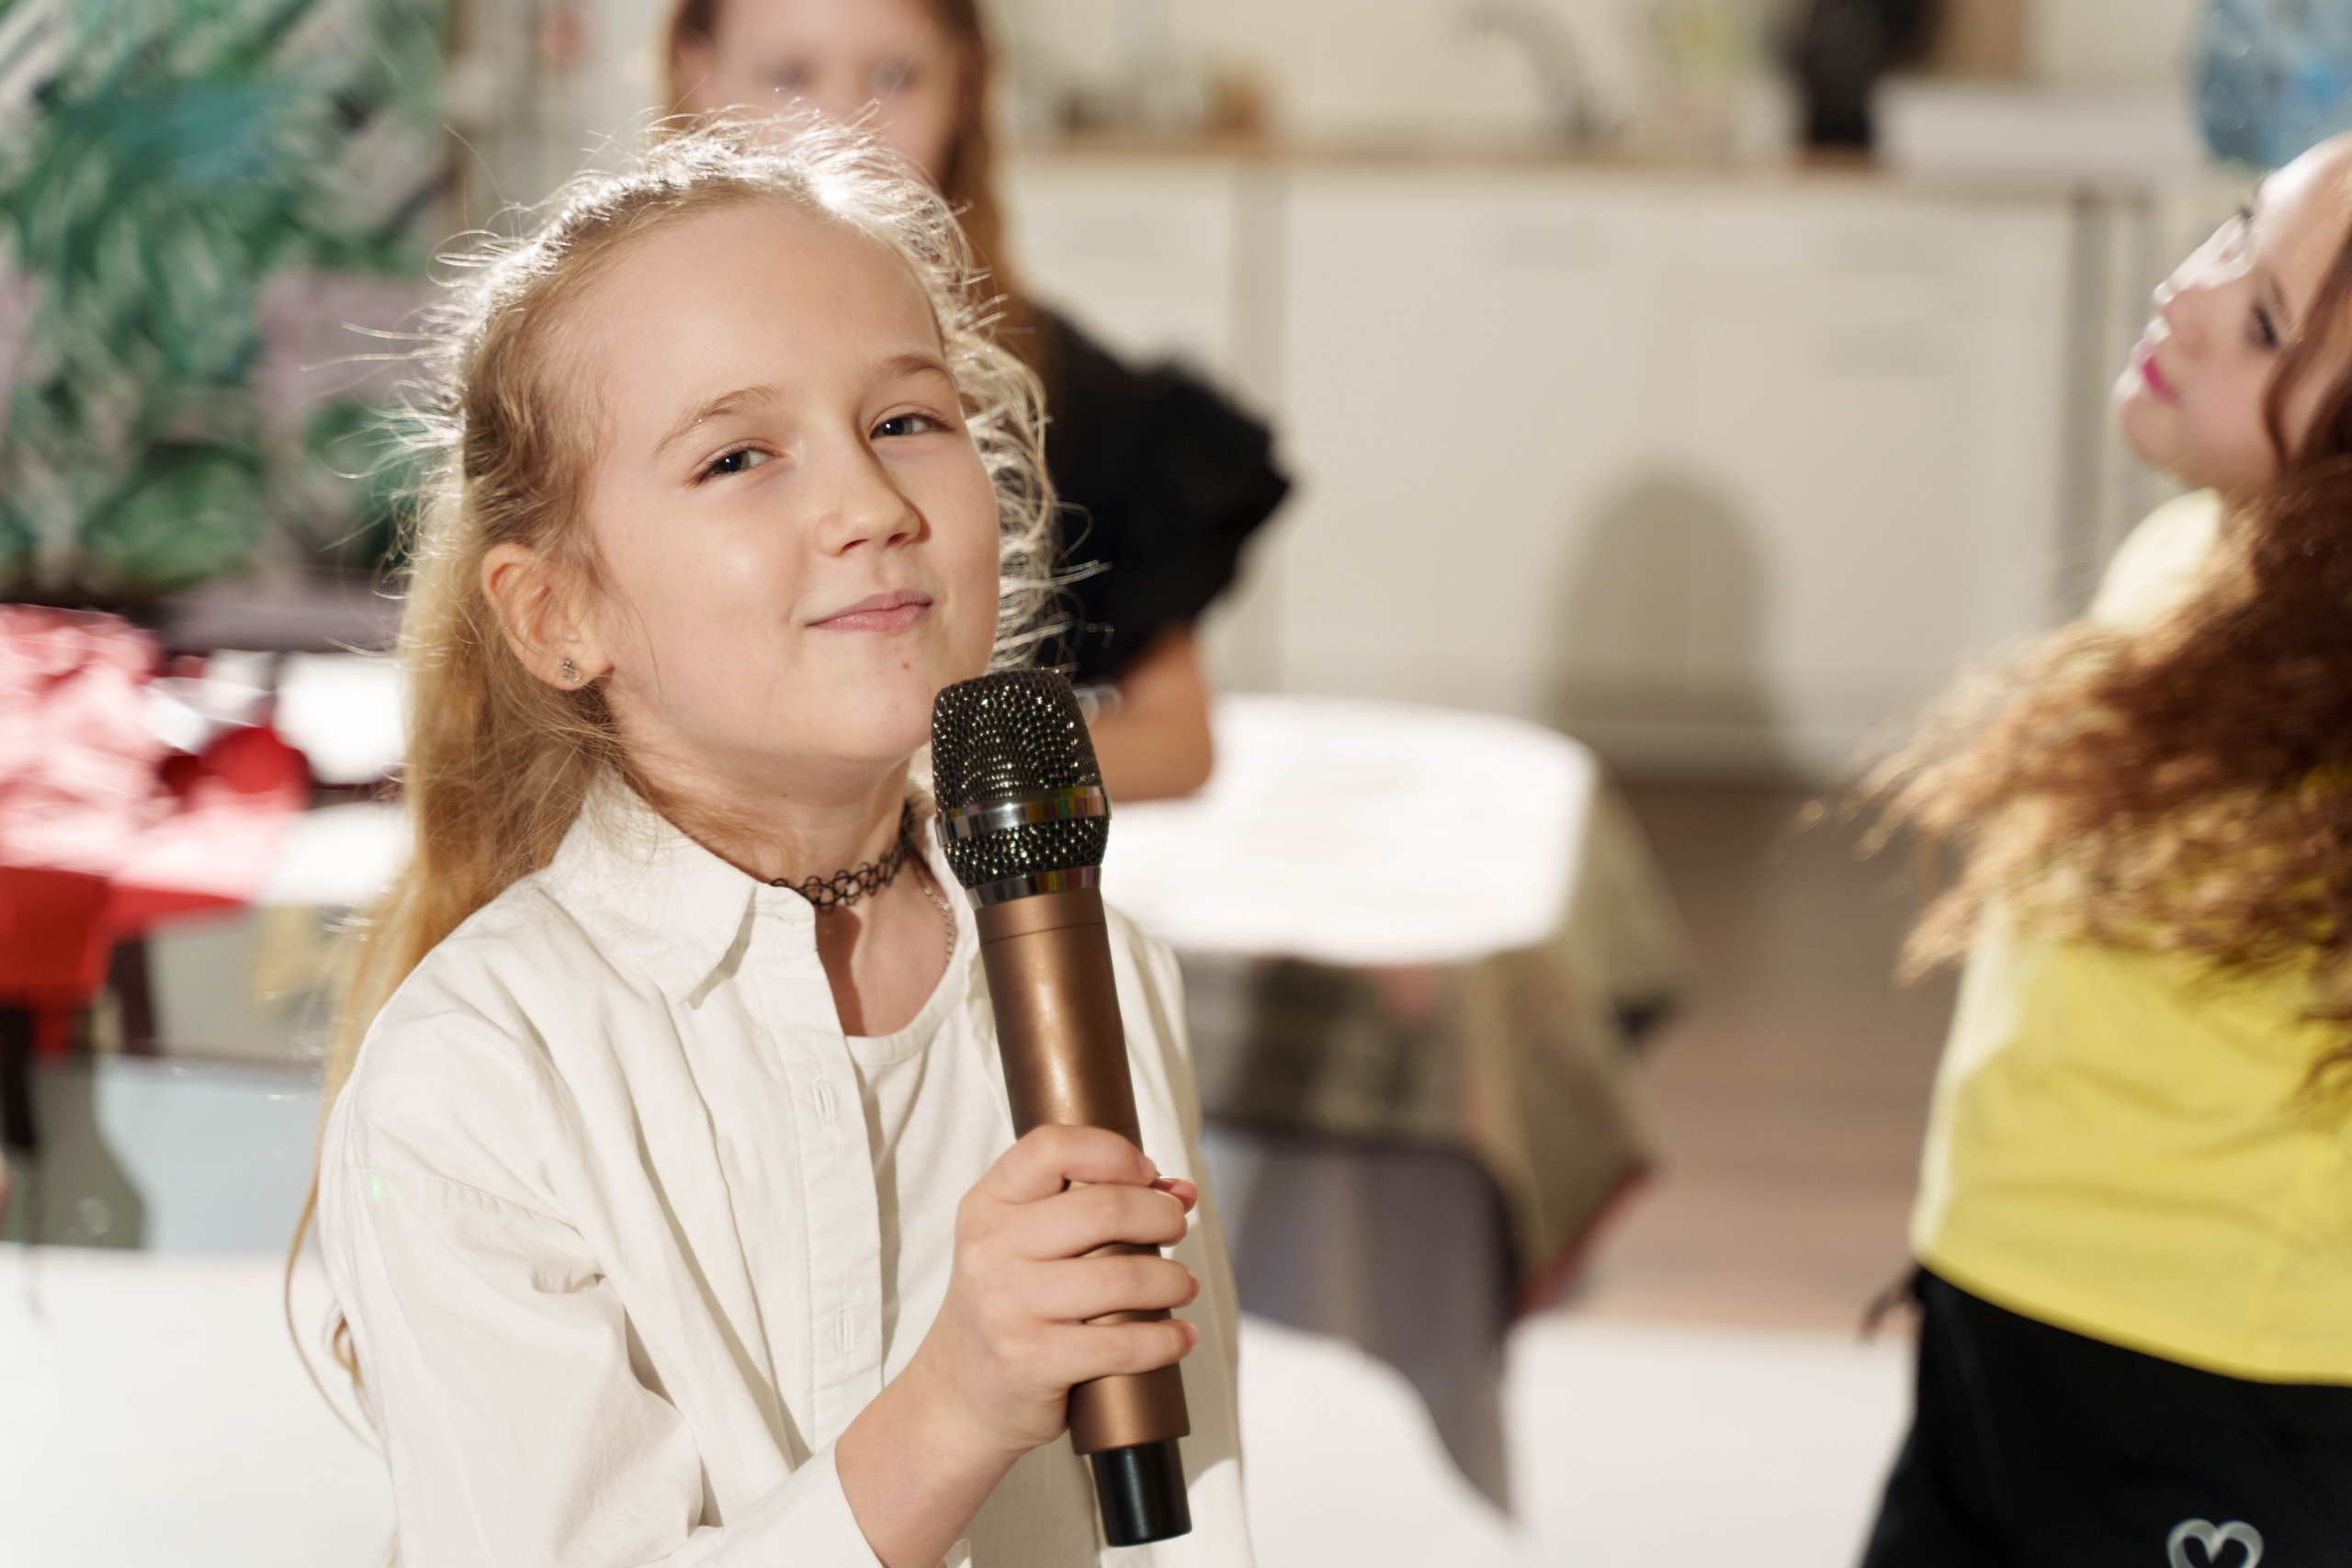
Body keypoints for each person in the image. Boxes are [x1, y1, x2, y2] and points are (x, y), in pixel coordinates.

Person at [310, 123, 1250, 1567]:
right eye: (740, 454)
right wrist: (951, 1405)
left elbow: (1194, 1514)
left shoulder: (1095, 966)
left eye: (905, 421)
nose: (871, 506)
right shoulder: (476, 1079)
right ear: (560, 611)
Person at [1860, 132, 2352, 1564]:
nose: (2187, 296)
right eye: (2229, 237)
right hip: (2000, 1296)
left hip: (2226, 1377)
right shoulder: (2191, 554)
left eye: (2264, 321)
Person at [663, 0, 1290, 803]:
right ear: (695, 70)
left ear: (964, 81)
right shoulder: (598, 370)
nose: (841, 130)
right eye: (788, 76)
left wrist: (899, 787)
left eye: (892, 77)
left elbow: (1176, 741)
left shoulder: (1065, 395)